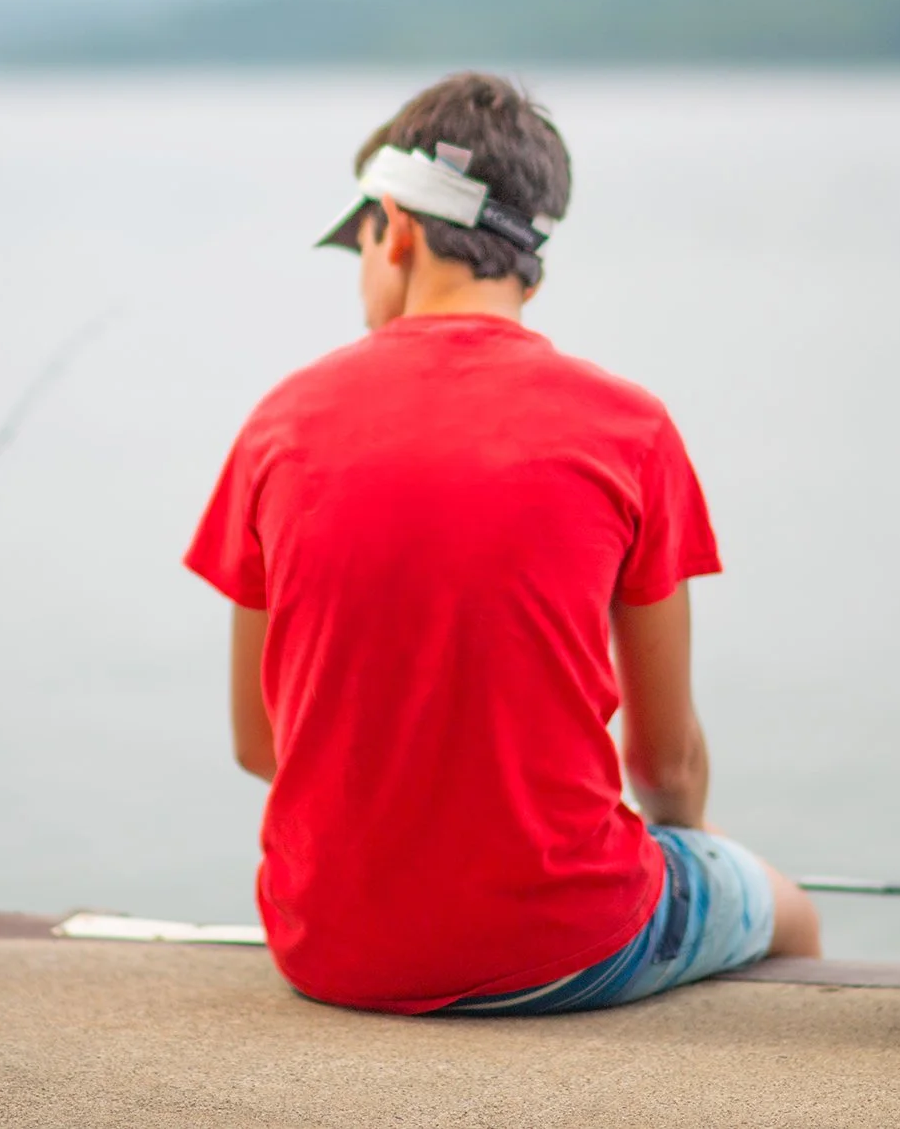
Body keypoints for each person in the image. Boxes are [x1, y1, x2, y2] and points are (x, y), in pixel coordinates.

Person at [185, 72, 821, 1016]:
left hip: (327, 947)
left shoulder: (279, 423)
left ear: (393, 228)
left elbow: (258, 742)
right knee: (791, 912)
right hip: (572, 945)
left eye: (356, 241)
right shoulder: (629, 428)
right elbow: (664, 768)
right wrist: (689, 840)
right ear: (534, 264)